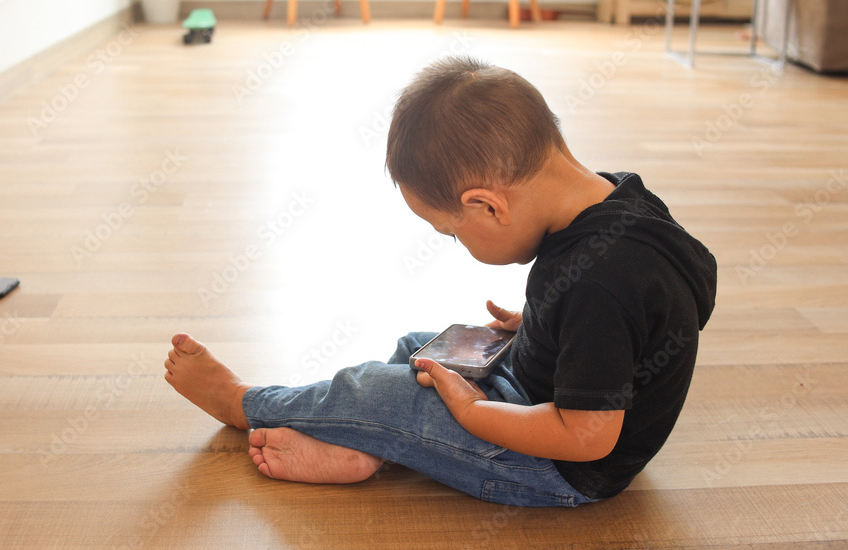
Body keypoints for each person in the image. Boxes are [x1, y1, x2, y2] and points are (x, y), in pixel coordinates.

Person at [164, 56, 717, 507]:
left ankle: (244, 402)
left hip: (559, 466)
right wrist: (549, 325)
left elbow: (589, 437)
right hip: (535, 393)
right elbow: (674, 299)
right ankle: (370, 448)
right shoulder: (624, 200)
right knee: (418, 349)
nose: (453, 242)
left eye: (451, 232)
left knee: (382, 389)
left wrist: (473, 412)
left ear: (487, 205)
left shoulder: (599, 283)